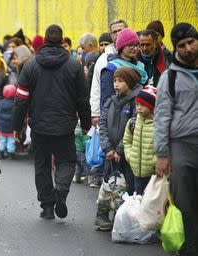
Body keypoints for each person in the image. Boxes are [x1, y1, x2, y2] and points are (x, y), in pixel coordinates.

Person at [13, 25, 91, 220]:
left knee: (42, 165)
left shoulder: (30, 65)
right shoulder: (74, 66)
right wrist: (86, 123)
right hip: (65, 126)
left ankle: (47, 207)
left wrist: (17, 127)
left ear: (45, 41)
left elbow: (20, 98)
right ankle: (61, 193)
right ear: (62, 40)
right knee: (67, 161)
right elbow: (82, 98)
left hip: (39, 126)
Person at [155, 23, 198, 256]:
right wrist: (162, 153)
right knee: (185, 200)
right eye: (181, 45)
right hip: (182, 144)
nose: (188, 48)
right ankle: (188, 250)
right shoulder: (168, 78)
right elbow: (161, 117)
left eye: (191, 42)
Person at [94, 66, 141, 231]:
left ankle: (124, 219)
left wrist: (120, 150)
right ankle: (102, 216)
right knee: (107, 184)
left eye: (120, 80)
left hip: (126, 154)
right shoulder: (110, 101)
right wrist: (107, 148)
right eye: (115, 80)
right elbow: (103, 125)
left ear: (131, 82)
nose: (116, 84)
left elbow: (133, 128)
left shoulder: (136, 102)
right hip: (110, 153)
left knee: (127, 186)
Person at [99, 27, 148, 112]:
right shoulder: (111, 68)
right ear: (122, 46)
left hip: (140, 113)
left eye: (137, 45)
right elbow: (107, 99)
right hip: (119, 115)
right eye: (131, 45)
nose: (135, 48)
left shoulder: (140, 66)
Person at [90, 19, 128, 121]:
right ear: (111, 36)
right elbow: (96, 87)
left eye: (121, 30)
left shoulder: (134, 54)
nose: (118, 34)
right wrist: (95, 113)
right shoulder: (103, 59)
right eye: (114, 32)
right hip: (109, 110)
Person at [123, 85, 157, 195]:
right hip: (137, 173)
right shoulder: (132, 123)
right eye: (137, 104)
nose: (138, 108)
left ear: (152, 106)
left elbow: (164, 145)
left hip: (154, 174)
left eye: (143, 105)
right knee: (139, 200)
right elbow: (127, 141)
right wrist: (130, 156)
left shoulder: (159, 125)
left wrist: (154, 162)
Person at [0, 84, 17, 159]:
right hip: (11, 126)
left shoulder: (0, 103)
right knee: (11, 140)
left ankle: (1, 152)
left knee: (2, 139)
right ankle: (11, 153)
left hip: (2, 125)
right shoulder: (15, 104)